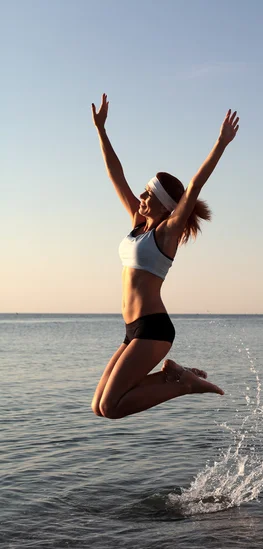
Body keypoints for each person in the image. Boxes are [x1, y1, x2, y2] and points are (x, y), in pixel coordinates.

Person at [90, 94, 239, 419]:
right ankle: (178, 375)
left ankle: (184, 383)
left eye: (148, 193)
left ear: (163, 203)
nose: (140, 196)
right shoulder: (138, 223)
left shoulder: (166, 233)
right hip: (132, 328)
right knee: (99, 406)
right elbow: (116, 173)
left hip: (153, 329)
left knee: (113, 407)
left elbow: (195, 186)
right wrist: (101, 130)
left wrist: (221, 143)